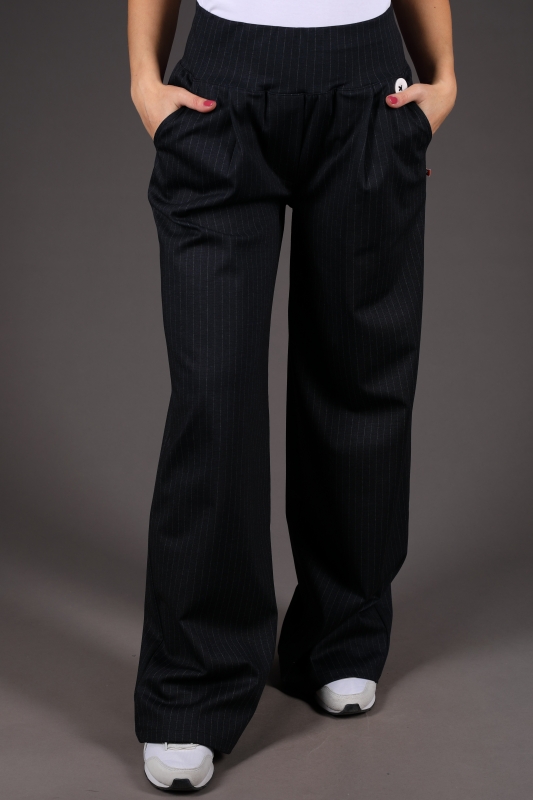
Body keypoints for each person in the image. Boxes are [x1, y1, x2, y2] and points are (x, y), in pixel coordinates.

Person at [128, 0, 456, 790]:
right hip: (221, 89)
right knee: (213, 397)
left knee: (361, 372)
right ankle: (193, 687)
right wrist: (143, 77)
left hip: (365, 88)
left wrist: (443, 78)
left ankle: (339, 636)